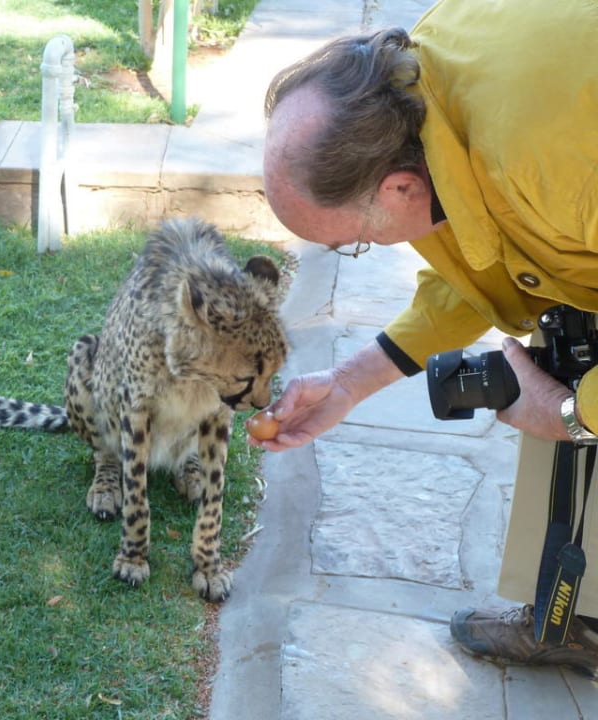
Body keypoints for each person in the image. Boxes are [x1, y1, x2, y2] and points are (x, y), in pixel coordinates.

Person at [255, 0, 598, 676]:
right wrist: (350, 381)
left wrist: (572, 414)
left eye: (351, 243)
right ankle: (577, 619)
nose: (361, 248)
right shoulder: (421, 80)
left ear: (401, 186)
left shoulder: (550, 166)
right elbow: (479, 262)